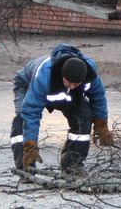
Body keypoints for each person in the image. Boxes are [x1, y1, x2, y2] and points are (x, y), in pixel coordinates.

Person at [9, 43, 113, 176]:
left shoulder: (90, 76)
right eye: (68, 82)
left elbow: (98, 98)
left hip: (58, 93)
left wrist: (101, 124)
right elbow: (31, 112)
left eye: (77, 83)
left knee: (84, 115)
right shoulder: (44, 76)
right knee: (22, 119)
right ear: (62, 74)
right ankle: (26, 168)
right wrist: (30, 145)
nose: (72, 86)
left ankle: (72, 165)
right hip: (27, 84)